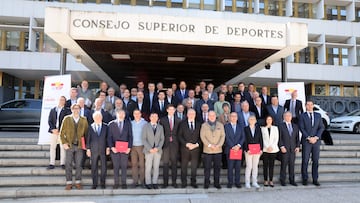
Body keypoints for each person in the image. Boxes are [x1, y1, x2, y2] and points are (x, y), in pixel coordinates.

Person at [60, 104, 89, 190]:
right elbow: (62, 133)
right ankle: (69, 183)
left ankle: (78, 182)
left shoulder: (84, 120)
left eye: (78, 108)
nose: (76, 110)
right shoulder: (67, 119)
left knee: (79, 164)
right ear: (72, 109)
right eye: (74, 108)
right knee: (68, 164)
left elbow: (87, 134)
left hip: (80, 146)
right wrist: (64, 143)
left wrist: (86, 145)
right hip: (70, 145)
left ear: (80, 110)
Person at [299, 100, 324, 186]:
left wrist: (316, 137)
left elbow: (321, 127)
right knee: (305, 160)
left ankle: (315, 179)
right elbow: (301, 128)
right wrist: (309, 138)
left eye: (311, 105)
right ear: (305, 106)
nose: (309, 106)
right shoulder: (302, 116)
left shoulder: (318, 115)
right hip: (306, 141)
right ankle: (305, 179)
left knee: (315, 161)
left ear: (313, 106)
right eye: (307, 105)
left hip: (316, 142)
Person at [107, 109, 133, 189]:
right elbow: (109, 137)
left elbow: (130, 136)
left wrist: (129, 147)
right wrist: (112, 147)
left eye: (123, 114)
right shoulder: (111, 124)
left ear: (125, 115)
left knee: (124, 166)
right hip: (115, 149)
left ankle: (124, 183)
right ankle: (116, 183)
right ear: (116, 114)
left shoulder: (128, 123)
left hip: (125, 149)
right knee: (116, 167)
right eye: (119, 114)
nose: (121, 115)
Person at [200, 111, 225, 189]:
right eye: (210, 115)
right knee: (207, 168)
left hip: (218, 150)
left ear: (215, 116)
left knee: (217, 168)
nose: (212, 116)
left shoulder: (220, 125)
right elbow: (202, 137)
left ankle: (216, 183)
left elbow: (223, 136)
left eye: (213, 115)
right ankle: (206, 183)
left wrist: (218, 145)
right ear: (208, 116)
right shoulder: (204, 125)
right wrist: (210, 145)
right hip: (208, 150)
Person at [177, 109, 201, 188]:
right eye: (190, 114)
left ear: (195, 115)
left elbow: (201, 137)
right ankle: (184, 182)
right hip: (185, 148)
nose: (191, 115)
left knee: (194, 166)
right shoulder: (182, 124)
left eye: (193, 114)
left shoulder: (199, 124)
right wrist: (186, 144)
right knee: (184, 166)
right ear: (187, 115)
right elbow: (179, 136)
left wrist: (196, 144)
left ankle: (193, 182)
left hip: (195, 149)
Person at [86, 111, 110, 189]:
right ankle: (94, 184)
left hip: (103, 150)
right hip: (93, 150)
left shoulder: (106, 126)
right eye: (96, 117)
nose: (97, 119)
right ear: (93, 118)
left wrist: (108, 147)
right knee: (94, 167)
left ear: (101, 118)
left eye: (99, 117)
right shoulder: (90, 127)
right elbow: (88, 139)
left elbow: (108, 138)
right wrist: (88, 149)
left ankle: (103, 183)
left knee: (104, 167)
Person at [159, 104, 181, 188]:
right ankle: (165, 183)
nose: (171, 111)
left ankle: (174, 182)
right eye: (170, 109)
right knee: (165, 164)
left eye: (173, 109)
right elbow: (161, 132)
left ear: (175, 110)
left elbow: (179, 132)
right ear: (167, 110)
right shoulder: (163, 120)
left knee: (174, 164)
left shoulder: (178, 120)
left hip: (175, 144)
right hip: (165, 144)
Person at [142, 112, 165, 189]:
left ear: (158, 118)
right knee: (148, 167)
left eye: (156, 116)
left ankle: (155, 182)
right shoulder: (145, 126)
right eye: (153, 116)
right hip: (148, 151)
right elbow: (144, 139)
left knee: (156, 167)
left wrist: (157, 148)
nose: (154, 118)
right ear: (150, 118)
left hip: (157, 151)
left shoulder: (160, 127)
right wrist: (150, 149)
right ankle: (148, 183)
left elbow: (162, 139)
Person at [47, 96, 70, 170]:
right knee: (52, 147)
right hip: (54, 132)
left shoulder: (67, 111)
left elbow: (67, 122)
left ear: (65, 101)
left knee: (62, 148)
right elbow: (49, 121)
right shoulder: (53, 110)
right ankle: (51, 163)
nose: (61, 101)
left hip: (62, 132)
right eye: (60, 100)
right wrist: (53, 129)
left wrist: (60, 130)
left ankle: (62, 163)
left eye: (63, 100)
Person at [279, 111, 300, 186]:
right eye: (286, 116)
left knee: (292, 165)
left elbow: (297, 138)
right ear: (284, 117)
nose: (288, 117)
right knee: (283, 165)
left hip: (293, 149)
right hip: (285, 148)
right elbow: (279, 137)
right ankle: (282, 180)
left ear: (291, 117)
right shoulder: (281, 126)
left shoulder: (295, 126)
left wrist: (298, 146)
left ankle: (292, 180)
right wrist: (281, 146)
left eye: (289, 116)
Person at [224, 112, 245, 188]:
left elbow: (243, 137)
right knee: (230, 167)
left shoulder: (241, 126)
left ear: (237, 117)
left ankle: (237, 182)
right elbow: (226, 138)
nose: (233, 117)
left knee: (238, 167)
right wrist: (233, 146)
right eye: (232, 116)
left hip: (238, 150)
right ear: (229, 117)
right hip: (230, 149)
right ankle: (230, 182)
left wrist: (238, 145)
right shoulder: (226, 126)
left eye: (235, 116)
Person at [243, 115, 263, 189]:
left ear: (255, 121)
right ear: (248, 121)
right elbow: (244, 140)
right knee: (249, 166)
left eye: (253, 119)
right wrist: (247, 149)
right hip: (249, 150)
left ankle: (254, 182)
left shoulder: (258, 129)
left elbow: (261, 139)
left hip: (257, 150)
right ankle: (247, 182)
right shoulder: (245, 129)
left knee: (255, 166)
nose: (252, 120)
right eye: (250, 119)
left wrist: (261, 149)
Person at [130, 109, 148, 188]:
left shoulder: (145, 123)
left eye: (138, 113)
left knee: (142, 164)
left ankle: (142, 181)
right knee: (134, 164)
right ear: (133, 115)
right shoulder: (131, 123)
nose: (137, 115)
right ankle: (135, 182)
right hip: (133, 146)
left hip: (142, 146)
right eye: (135, 114)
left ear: (141, 114)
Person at [260, 115, 280, 187]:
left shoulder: (275, 128)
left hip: (273, 149)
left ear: (272, 120)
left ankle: (271, 180)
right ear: (265, 120)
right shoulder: (262, 128)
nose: (269, 121)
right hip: (265, 149)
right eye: (267, 119)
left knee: (271, 165)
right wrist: (267, 146)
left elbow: (276, 138)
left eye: (270, 119)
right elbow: (262, 139)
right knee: (265, 165)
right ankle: (265, 180)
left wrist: (272, 146)